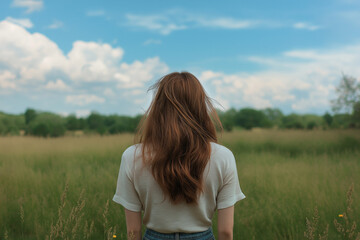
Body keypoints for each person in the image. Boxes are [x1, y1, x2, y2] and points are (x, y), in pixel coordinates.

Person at [113, 72, 245, 240]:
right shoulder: (223, 156)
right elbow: (226, 232)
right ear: (199, 105)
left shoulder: (132, 156)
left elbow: (133, 231)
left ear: (158, 106)